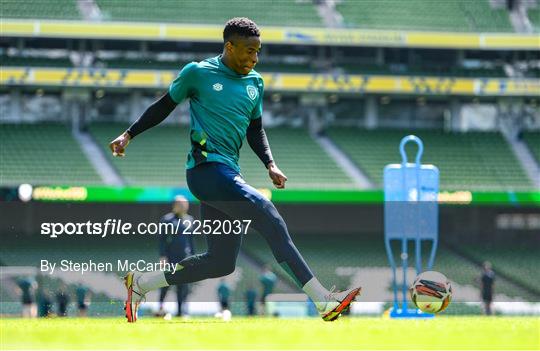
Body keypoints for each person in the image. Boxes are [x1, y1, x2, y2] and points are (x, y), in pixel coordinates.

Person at [110, 17, 361, 323]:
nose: (254, 58)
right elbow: (164, 105)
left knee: (220, 262)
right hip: (205, 172)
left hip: (228, 176)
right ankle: (322, 299)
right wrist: (129, 134)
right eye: (249, 51)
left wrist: (270, 163)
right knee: (267, 212)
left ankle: (142, 284)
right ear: (229, 47)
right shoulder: (198, 72)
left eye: (258, 52)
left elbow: (256, 130)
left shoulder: (255, 83)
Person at [158, 195, 195, 317]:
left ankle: (180, 311)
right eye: (183, 204)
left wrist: (193, 257)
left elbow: (191, 241)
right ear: (176, 205)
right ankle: (160, 308)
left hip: (185, 258)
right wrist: (163, 256)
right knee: (166, 283)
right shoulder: (167, 219)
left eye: (186, 203)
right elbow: (162, 240)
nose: (186, 205)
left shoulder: (190, 220)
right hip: (171, 257)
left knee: (183, 285)